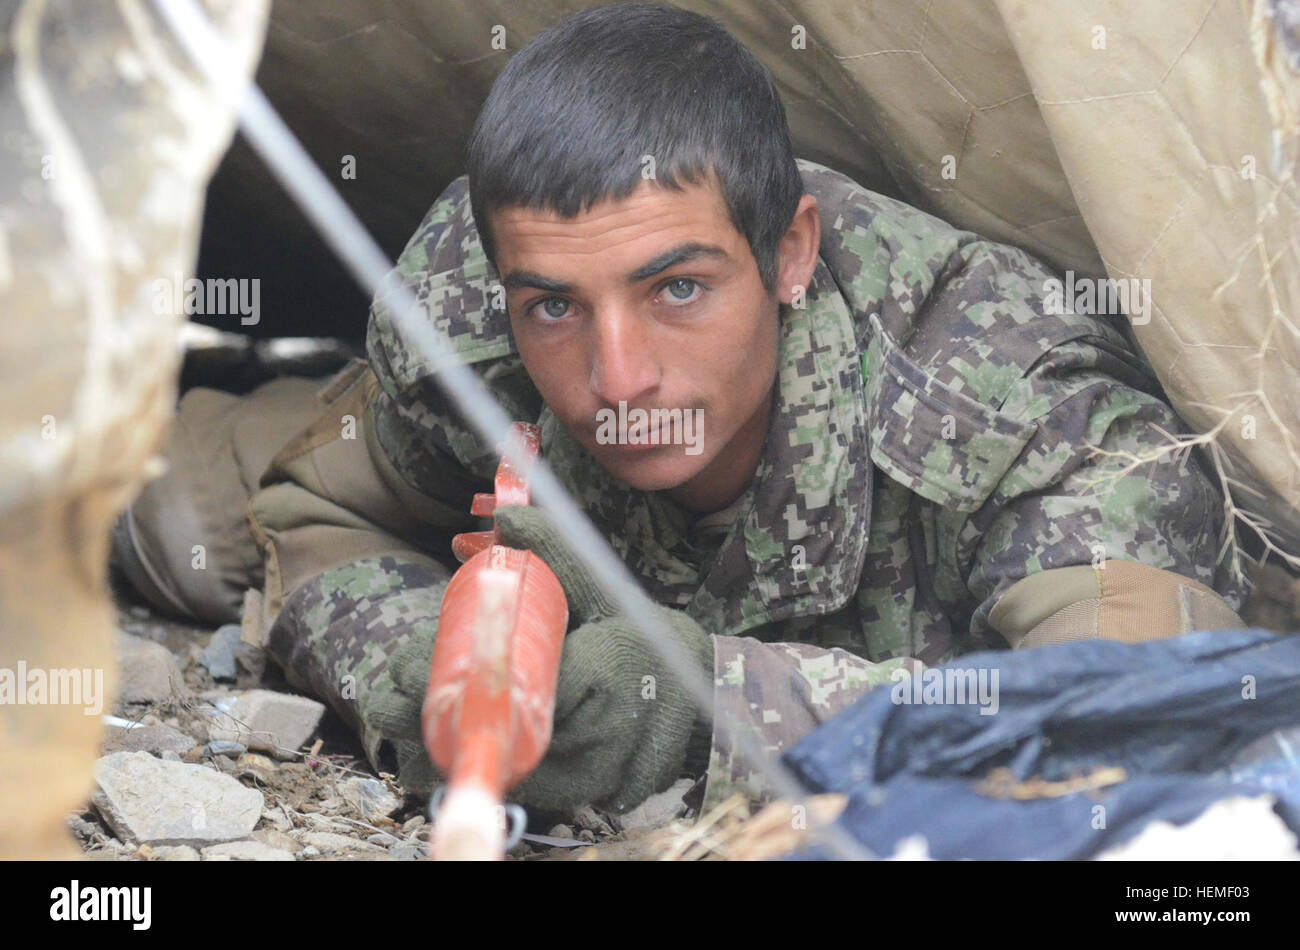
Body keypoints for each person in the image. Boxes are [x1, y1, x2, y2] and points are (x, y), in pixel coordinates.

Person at [113, 3, 1249, 816]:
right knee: (159, 509)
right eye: (556, 305)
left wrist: (691, 709)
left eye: (679, 288)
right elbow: (310, 508)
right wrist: (430, 672)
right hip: (357, 431)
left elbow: (1120, 729)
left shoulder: (1022, 408)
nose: (618, 376)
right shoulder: (470, 324)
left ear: (789, 251)